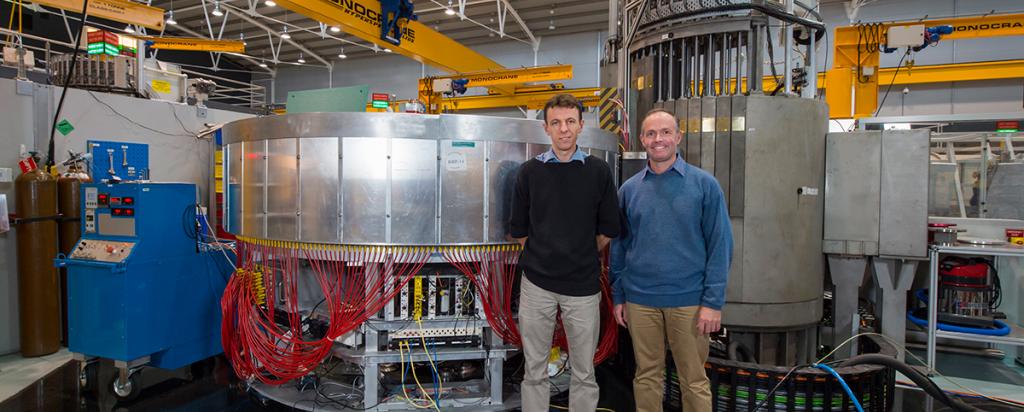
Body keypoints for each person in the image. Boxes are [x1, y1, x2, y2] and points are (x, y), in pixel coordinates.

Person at [609, 109, 732, 412]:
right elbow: (620, 247)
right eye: (651, 134)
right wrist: (619, 295)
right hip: (640, 301)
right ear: (642, 140)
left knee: (693, 380)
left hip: (689, 302)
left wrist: (713, 302)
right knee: (647, 376)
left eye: (665, 132)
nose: (658, 139)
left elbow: (720, 245)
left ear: (678, 137)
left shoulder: (705, 186)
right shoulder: (629, 190)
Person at [509, 93, 621, 412]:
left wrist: (580, 252)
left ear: (581, 126)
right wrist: (546, 256)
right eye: (556, 123)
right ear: (546, 128)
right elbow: (519, 231)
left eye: (570, 122)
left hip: (583, 288)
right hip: (537, 286)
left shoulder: (598, 172)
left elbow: (609, 229)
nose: (564, 129)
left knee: (584, 373)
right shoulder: (529, 173)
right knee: (534, 371)